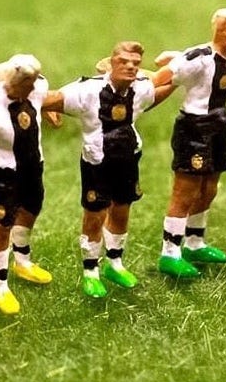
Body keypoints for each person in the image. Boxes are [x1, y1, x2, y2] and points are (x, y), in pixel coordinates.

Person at [43, 41, 170, 298]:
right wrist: (47, 108)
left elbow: (161, 87)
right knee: (95, 214)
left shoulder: (140, 89)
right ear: (111, 63)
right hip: (97, 162)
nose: (130, 67)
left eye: (135, 63)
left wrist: (178, 78)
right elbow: (52, 98)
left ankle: (115, 263)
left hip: (128, 158)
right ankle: (90, 271)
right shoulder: (88, 91)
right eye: (124, 62)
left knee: (121, 210)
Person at [152, 7, 226, 278]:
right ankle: (170, 252)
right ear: (217, 29)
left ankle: (195, 243)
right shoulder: (198, 58)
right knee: (186, 190)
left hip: (220, 125)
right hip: (194, 128)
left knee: (209, 188)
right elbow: (159, 78)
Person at [0, 54, 52, 314]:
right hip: (4, 172)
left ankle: (23, 261)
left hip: (33, 166)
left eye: (33, 82)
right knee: (1, 225)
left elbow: (46, 96)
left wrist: (49, 110)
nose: (32, 87)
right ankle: (0, 285)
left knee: (31, 209)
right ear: (12, 82)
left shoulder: (37, 88)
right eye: (26, 83)